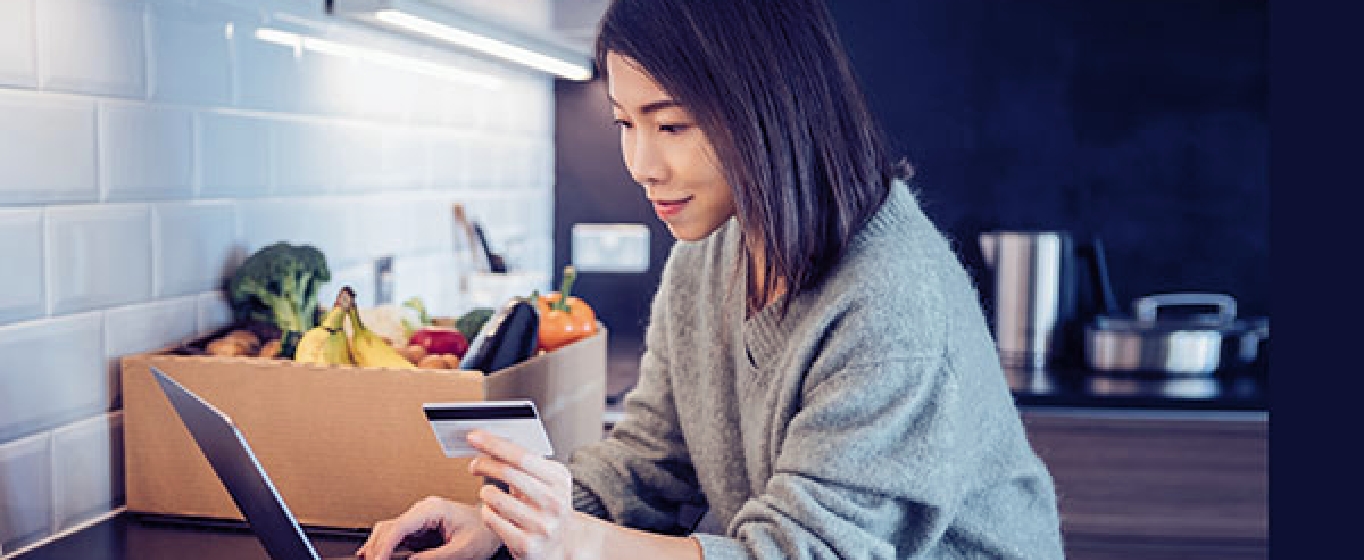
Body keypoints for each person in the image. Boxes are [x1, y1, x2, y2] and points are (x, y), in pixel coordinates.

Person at [358, 0, 1065, 557]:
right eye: (625, 123)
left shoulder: (891, 305)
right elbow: (649, 460)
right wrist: (507, 529)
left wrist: (572, 543)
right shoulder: (710, 249)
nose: (640, 163)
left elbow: (803, 554)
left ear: (769, 107)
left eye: (671, 126)